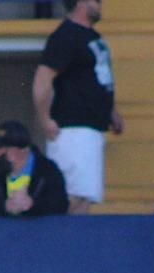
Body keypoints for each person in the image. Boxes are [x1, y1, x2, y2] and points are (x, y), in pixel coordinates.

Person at [34, 0, 122, 214]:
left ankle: (74, 245)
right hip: (73, 129)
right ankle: (59, 245)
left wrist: (111, 111)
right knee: (71, 196)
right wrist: (44, 118)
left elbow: (96, 78)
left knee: (85, 197)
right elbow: (43, 79)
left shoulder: (92, 37)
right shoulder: (66, 36)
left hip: (92, 129)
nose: (100, 4)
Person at [0, 121, 70, 217]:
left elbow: (61, 204)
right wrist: (4, 206)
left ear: (13, 152)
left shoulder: (47, 170)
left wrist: (32, 204)